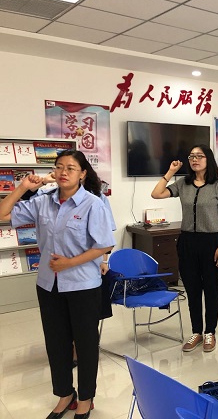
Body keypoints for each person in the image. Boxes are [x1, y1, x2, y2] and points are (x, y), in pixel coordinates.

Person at [0, 150, 116, 419]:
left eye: (71, 168)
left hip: (83, 285)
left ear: (83, 174)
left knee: (85, 345)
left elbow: (104, 245)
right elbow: (3, 213)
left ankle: (86, 398)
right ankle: (65, 394)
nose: (64, 172)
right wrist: (23, 187)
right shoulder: (43, 201)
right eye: (59, 166)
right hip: (48, 285)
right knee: (56, 343)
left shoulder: (93, 203)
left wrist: (70, 263)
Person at [151, 144, 218, 353]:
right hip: (187, 242)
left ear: (208, 159)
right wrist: (170, 171)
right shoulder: (183, 184)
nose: (195, 159)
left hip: (211, 242)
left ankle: (210, 331)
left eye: (199, 156)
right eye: (191, 156)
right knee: (192, 289)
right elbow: (156, 194)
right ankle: (196, 331)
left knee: (211, 289)